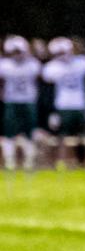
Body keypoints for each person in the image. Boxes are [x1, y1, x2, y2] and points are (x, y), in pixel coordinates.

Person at [41, 36, 85, 168]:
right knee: (61, 136)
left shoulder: (82, 62)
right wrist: (51, 111)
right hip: (62, 105)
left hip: (80, 104)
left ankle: (81, 162)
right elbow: (48, 91)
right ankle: (60, 161)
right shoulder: (51, 68)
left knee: (81, 136)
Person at [0, 35, 42, 170]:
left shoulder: (33, 64)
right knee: (9, 132)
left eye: (19, 51)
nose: (17, 55)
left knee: (29, 132)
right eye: (15, 52)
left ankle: (29, 161)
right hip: (11, 101)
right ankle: (9, 161)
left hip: (28, 101)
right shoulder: (5, 64)